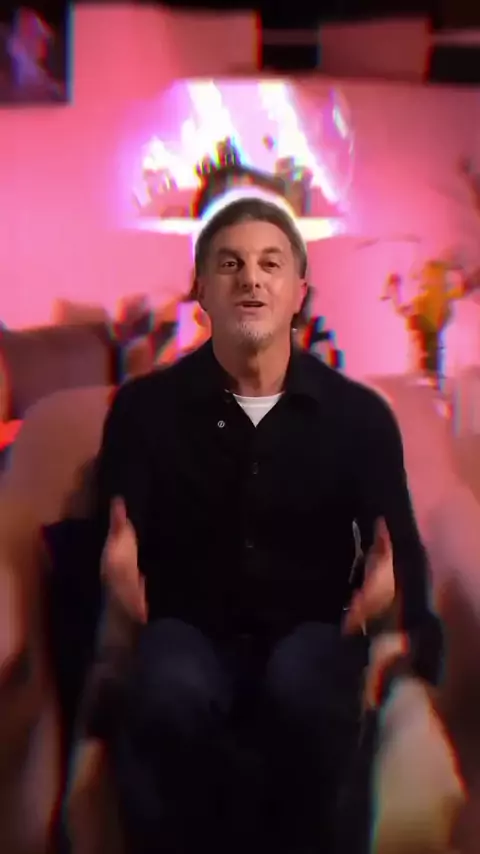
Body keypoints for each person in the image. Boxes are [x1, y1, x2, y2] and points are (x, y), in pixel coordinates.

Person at [81, 190, 442, 854]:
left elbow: (402, 550)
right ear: (201, 290)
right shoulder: (143, 410)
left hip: (313, 629)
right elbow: (105, 540)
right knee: (171, 688)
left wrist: (403, 624)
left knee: (307, 688)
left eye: (271, 264)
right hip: (185, 628)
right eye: (230, 263)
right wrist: (111, 575)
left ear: (299, 290)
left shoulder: (359, 416)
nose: (251, 279)